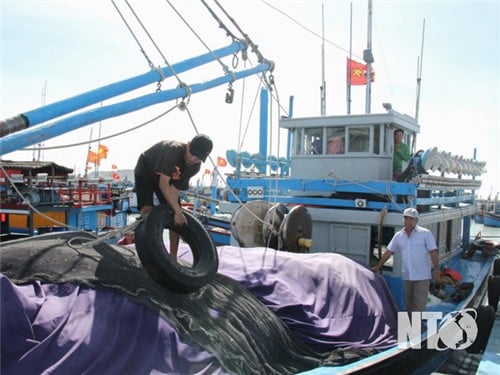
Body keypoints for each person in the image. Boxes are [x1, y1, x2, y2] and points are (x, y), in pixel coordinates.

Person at [134, 134, 213, 260]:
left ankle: (173, 257)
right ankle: (148, 250)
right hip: (146, 170)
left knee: (176, 217)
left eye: (198, 158)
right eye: (191, 154)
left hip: (165, 178)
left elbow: (175, 187)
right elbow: (163, 183)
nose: (192, 159)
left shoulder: (195, 167)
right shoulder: (173, 151)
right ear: (188, 145)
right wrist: (177, 210)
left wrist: (176, 210)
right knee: (147, 210)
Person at [372, 208, 440, 313]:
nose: (408, 221)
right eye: (406, 218)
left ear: (416, 220)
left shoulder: (425, 234)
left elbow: (433, 252)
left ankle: (415, 328)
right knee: (408, 304)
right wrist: (378, 266)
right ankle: (410, 327)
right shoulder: (398, 236)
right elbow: (389, 252)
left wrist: (436, 270)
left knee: (419, 306)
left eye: (411, 219)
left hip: (422, 276)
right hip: (407, 276)